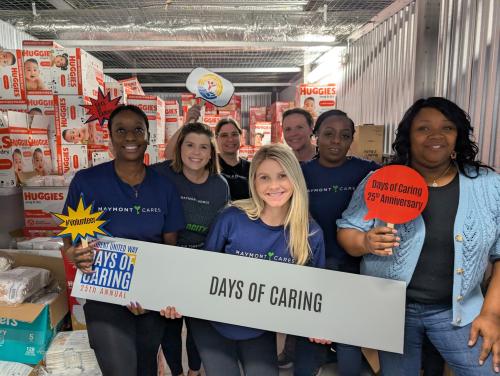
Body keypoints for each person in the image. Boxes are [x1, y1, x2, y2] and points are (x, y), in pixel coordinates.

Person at [337, 97, 500, 375]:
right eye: (423, 128)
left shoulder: (487, 184)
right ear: (408, 137)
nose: (435, 136)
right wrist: (364, 242)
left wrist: (492, 313)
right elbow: (347, 229)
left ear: (457, 136)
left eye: (447, 128)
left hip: (458, 311)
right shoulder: (383, 181)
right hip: (390, 309)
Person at [161, 143, 326, 376]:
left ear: (295, 179)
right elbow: (201, 273)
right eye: (264, 177)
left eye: (282, 176)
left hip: (257, 327)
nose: (274, 185)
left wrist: (322, 325)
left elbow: (314, 295)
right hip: (210, 321)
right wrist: (174, 298)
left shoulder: (310, 234)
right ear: (254, 182)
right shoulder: (232, 218)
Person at [61, 105, 185, 376]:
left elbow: (170, 249)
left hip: (149, 299)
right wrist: (74, 255)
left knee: (145, 369)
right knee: (119, 369)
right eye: (121, 131)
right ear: (111, 137)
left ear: (147, 136)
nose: (130, 137)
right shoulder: (87, 183)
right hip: (105, 295)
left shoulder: (164, 188)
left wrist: (157, 293)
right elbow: (71, 242)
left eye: (137, 130)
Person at [294, 109, 378, 376]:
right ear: (316, 136)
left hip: (354, 266)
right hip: (310, 266)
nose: (335, 141)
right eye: (328, 134)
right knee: (306, 333)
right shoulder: (299, 173)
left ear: (352, 139)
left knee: (347, 335)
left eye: (344, 136)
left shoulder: (369, 172)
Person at [152, 121, 230, 376]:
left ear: (211, 153)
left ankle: (194, 371)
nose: (195, 152)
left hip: (201, 264)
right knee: (170, 324)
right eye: (189, 145)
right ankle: (176, 371)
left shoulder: (220, 185)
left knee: (199, 326)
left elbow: (221, 230)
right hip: (167, 259)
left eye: (203, 147)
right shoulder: (163, 174)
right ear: (179, 148)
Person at [214, 117, 250, 200]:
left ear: (241, 137)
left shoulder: (251, 168)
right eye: (224, 135)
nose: (230, 139)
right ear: (216, 139)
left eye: (234, 134)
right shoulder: (209, 165)